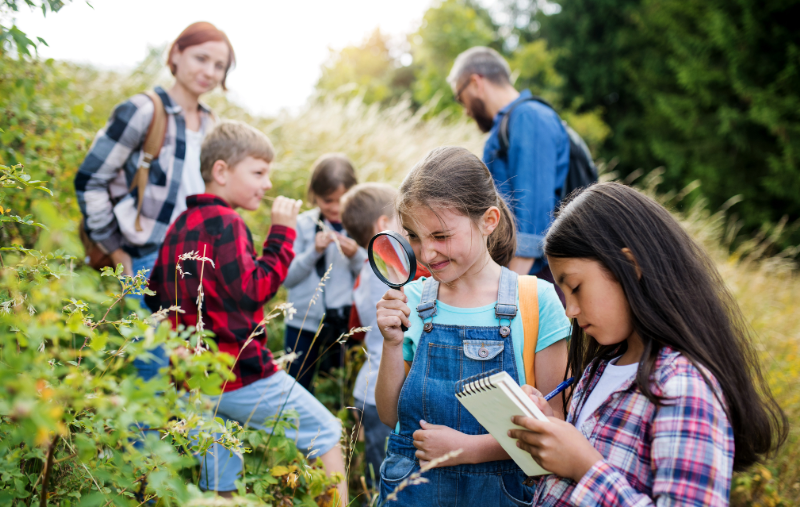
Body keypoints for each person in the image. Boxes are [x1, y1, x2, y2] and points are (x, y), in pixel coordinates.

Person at [508, 182, 787, 506]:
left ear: (631, 266)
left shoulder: (683, 388)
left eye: (576, 287)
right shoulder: (598, 371)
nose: (570, 310)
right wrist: (550, 431)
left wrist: (586, 467)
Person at [145, 121, 347, 501]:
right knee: (326, 432)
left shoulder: (180, 225)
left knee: (221, 476)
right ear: (221, 171)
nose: (267, 184)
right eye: (258, 172)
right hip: (241, 374)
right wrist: (283, 233)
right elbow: (254, 292)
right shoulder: (227, 222)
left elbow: (154, 296)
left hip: (196, 381)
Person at [374, 147, 571, 506]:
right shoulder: (413, 299)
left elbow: (554, 423)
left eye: (441, 235)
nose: (427, 254)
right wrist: (390, 342)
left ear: (488, 220)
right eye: (415, 237)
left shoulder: (537, 301)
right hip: (411, 490)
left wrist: (471, 449)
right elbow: (390, 416)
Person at [75, 21, 235, 379]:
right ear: (176, 53)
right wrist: (116, 250)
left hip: (197, 262)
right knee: (153, 369)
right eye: (201, 58)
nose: (209, 71)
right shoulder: (144, 110)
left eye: (219, 65)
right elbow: (90, 180)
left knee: (192, 371)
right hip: (148, 257)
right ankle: (140, 438)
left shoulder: (213, 124)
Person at [447, 47, 570, 288]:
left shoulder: (528, 117)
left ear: (475, 82)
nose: (466, 111)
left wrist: (509, 293)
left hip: (537, 279)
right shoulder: (509, 123)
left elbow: (533, 218)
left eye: (461, 98)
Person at [340, 182, 407, 489]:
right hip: (382, 391)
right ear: (383, 226)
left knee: (378, 467)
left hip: (367, 387)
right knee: (386, 477)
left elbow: (357, 325)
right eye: (401, 220)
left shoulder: (366, 272)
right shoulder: (393, 274)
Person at [283, 154, 366, 391]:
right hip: (302, 323)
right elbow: (288, 278)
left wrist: (356, 256)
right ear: (314, 196)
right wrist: (313, 252)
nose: (336, 208)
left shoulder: (361, 226)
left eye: (343, 200)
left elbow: (374, 276)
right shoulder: (302, 225)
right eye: (328, 200)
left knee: (343, 389)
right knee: (295, 387)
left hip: (346, 324)